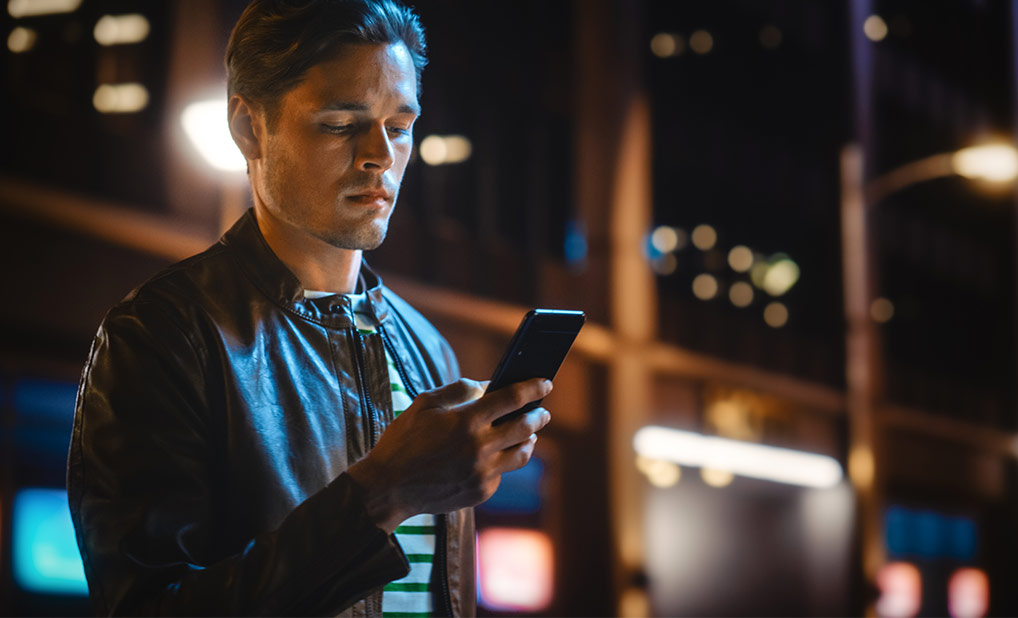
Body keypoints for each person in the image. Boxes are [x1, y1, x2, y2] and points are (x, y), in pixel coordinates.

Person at [66, 1, 552, 615]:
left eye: (398, 127)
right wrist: (381, 495)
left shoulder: (426, 348)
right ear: (248, 128)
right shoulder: (167, 335)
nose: (379, 155)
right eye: (341, 124)